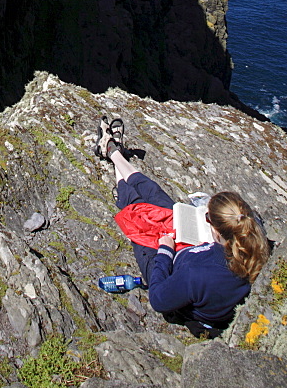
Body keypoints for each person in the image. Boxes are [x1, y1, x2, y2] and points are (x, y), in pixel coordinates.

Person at [95, 117, 270, 338]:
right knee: (156, 195)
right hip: (193, 249)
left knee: (137, 209)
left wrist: (165, 251)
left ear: (216, 229)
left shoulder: (196, 273)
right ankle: (114, 152)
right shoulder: (254, 246)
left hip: (169, 265)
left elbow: (159, 299)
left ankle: (111, 150)